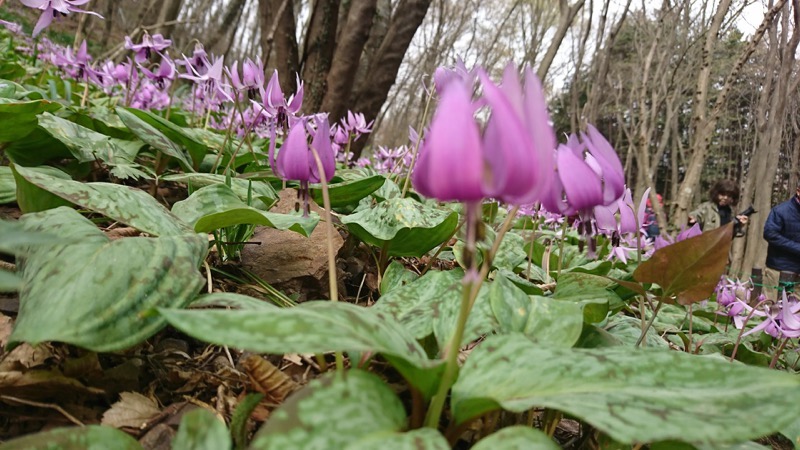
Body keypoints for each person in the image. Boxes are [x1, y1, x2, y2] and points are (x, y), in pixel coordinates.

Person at [762, 182, 800, 300]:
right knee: (773, 309)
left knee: (795, 315)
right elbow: (770, 234)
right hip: (778, 270)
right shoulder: (781, 211)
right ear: (798, 191)